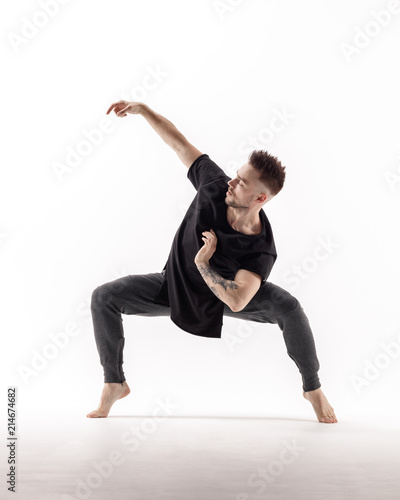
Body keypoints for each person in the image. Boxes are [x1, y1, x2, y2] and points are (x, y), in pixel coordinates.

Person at [86, 101, 337, 424]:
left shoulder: (261, 246)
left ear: (260, 199)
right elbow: (178, 142)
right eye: (237, 175)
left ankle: (312, 389)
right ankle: (115, 382)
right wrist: (144, 111)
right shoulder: (213, 186)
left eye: (242, 182)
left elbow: (237, 299)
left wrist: (204, 263)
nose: (232, 182)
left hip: (223, 296)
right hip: (176, 288)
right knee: (104, 297)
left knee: (288, 307)